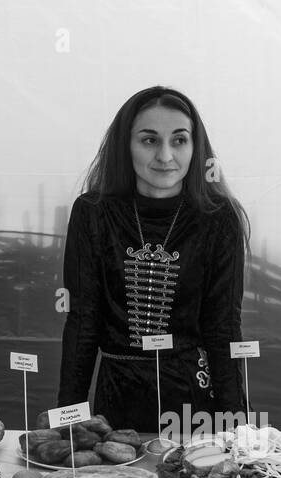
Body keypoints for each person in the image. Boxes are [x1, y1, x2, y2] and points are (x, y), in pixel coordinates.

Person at [57, 86, 251, 436]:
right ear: (125, 146)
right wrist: (67, 419)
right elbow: (83, 322)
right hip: (116, 402)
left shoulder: (218, 218)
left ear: (196, 147)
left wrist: (237, 427)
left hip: (194, 403)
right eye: (149, 140)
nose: (165, 155)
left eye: (179, 140)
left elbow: (223, 328)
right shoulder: (93, 213)